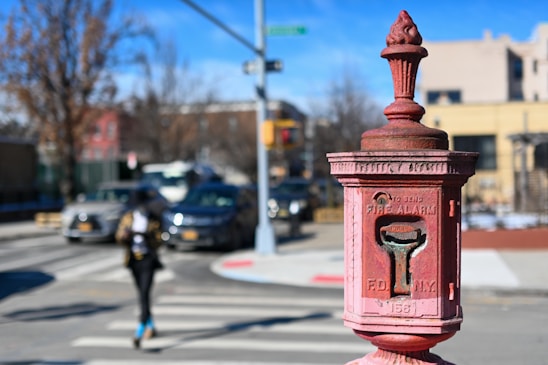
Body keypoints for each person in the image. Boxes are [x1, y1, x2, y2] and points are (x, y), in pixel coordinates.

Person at [115, 185, 166, 349]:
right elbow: (119, 237)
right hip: (133, 260)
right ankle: (150, 325)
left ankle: (141, 328)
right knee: (141, 293)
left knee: (144, 293)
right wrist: (125, 236)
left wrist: (148, 236)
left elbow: (159, 240)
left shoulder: (153, 219)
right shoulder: (128, 217)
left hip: (148, 260)